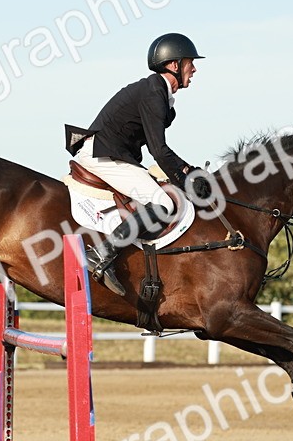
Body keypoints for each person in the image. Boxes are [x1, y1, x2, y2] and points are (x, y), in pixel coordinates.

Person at [66, 32, 210, 296]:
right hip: (104, 154)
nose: (195, 68)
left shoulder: (161, 95)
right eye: (190, 62)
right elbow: (159, 150)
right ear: (174, 65)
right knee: (165, 203)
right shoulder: (153, 92)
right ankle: (101, 254)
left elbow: (163, 152)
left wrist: (188, 170)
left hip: (113, 153)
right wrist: (184, 179)